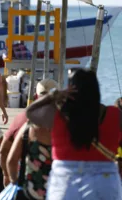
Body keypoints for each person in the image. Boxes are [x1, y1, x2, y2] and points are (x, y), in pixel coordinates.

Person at [26, 68, 122, 200]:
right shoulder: (115, 114)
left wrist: (53, 95)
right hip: (104, 182)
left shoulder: (57, 114)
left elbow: (31, 113)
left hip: (66, 183)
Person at [0, 79, 58, 187]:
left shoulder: (22, 119)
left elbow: (3, 152)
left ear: (36, 96)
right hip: (58, 188)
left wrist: (8, 177)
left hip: (29, 186)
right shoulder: (66, 122)